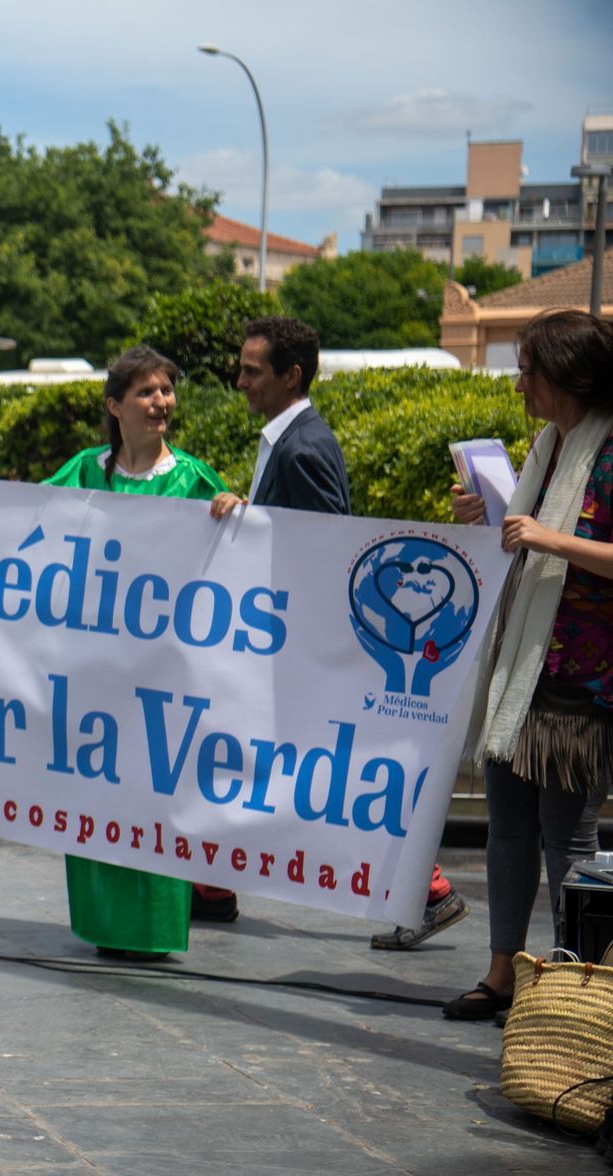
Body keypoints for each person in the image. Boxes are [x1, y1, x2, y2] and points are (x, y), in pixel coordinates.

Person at [212, 316, 466, 946]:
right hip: (288, 639)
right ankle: (213, 883)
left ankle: (428, 888)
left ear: (289, 375)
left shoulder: (302, 446)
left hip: (300, 643)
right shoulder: (291, 439)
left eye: (251, 370)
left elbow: (332, 545)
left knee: (331, 771)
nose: (239, 380)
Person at [441, 310, 613, 1021]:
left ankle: (574, 986)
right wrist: (490, 517)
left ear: (567, 376)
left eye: (527, 370)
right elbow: (526, 544)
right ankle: (503, 972)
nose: (519, 384)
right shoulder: (551, 446)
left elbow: (566, 547)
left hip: (580, 682)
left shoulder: (606, 455)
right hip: (523, 670)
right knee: (507, 825)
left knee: (565, 831)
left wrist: (548, 535)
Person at [34, 347, 228, 956]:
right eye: (147, 392)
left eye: (167, 390)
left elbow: (240, 565)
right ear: (115, 406)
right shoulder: (83, 471)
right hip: (92, 672)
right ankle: (104, 925)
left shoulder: (196, 480)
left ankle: (153, 930)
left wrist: (236, 512)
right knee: (93, 791)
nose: (161, 401)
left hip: (162, 675)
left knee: (154, 795)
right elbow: (19, 518)